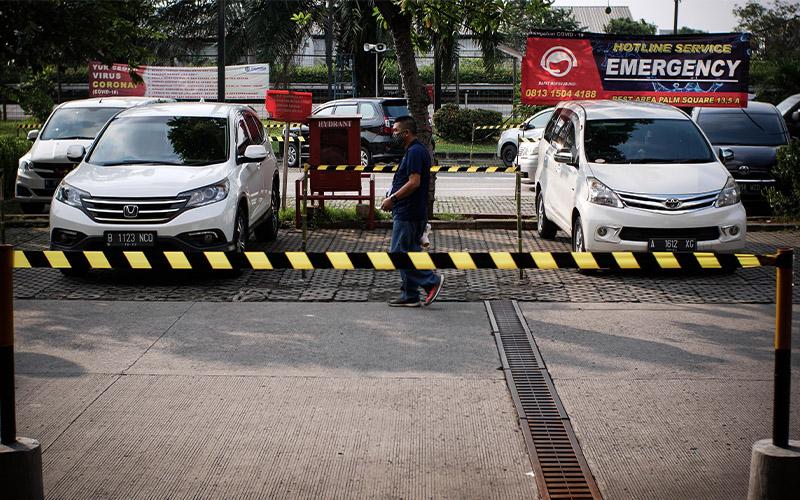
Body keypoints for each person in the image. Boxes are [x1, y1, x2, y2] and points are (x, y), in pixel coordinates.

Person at [380, 115, 444, 307]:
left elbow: (414, 182)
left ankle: (431, 281)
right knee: (411, 253)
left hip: (408, 212)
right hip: (411, 211)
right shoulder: (413, 151)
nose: (393, 134)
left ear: (406, 133)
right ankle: (410, 294)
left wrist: (393, 198)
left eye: (396, 131)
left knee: (398, 253)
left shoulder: (415, 152)